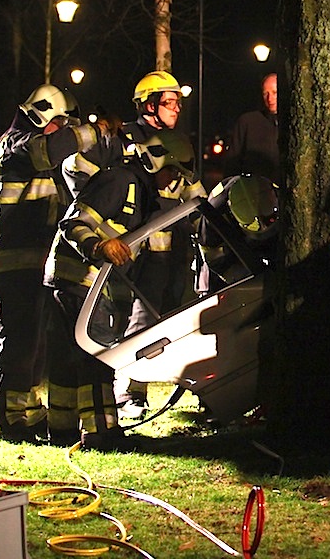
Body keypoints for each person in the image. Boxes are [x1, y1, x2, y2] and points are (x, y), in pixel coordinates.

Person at [43, 128, 196, 448]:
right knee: (96, 356)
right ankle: (101, 432)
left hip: (87, 283)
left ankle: (62, 429)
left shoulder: (144, 193)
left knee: (67, 358)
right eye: (172, 172)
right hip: (79, 278)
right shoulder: (120, 182)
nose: (173, 181)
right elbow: (73, 224)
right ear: (155, 161)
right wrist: (99, 246)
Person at [0, 84, 107, 443]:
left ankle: (29, 412)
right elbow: (50, 149)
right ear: (40, 115)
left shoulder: (37, 153)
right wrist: (95, 131)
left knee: (34, 344)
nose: (63, 131)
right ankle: (8, 419)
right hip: (12, 264)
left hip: (33, 263)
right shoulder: (15, 146)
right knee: (18, 343)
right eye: (60, 123)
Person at [115, 71, 207, 419]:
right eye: (170, 102)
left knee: (165, 321)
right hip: (140, 251)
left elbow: (193, 193)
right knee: (140, 320)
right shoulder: (126, 139)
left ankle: (144, 385)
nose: (177, 109)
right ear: (149, 105)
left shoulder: (178, 142)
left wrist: (211, 222)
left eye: (179, 103)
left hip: (174, 250)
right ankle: (128, 392)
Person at [223, 72, 280, 184]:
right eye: (265, 93)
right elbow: (232, 163)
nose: (270, 98)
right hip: (253, 189)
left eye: (275, 92)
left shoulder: (292, 123)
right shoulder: (247, 122)